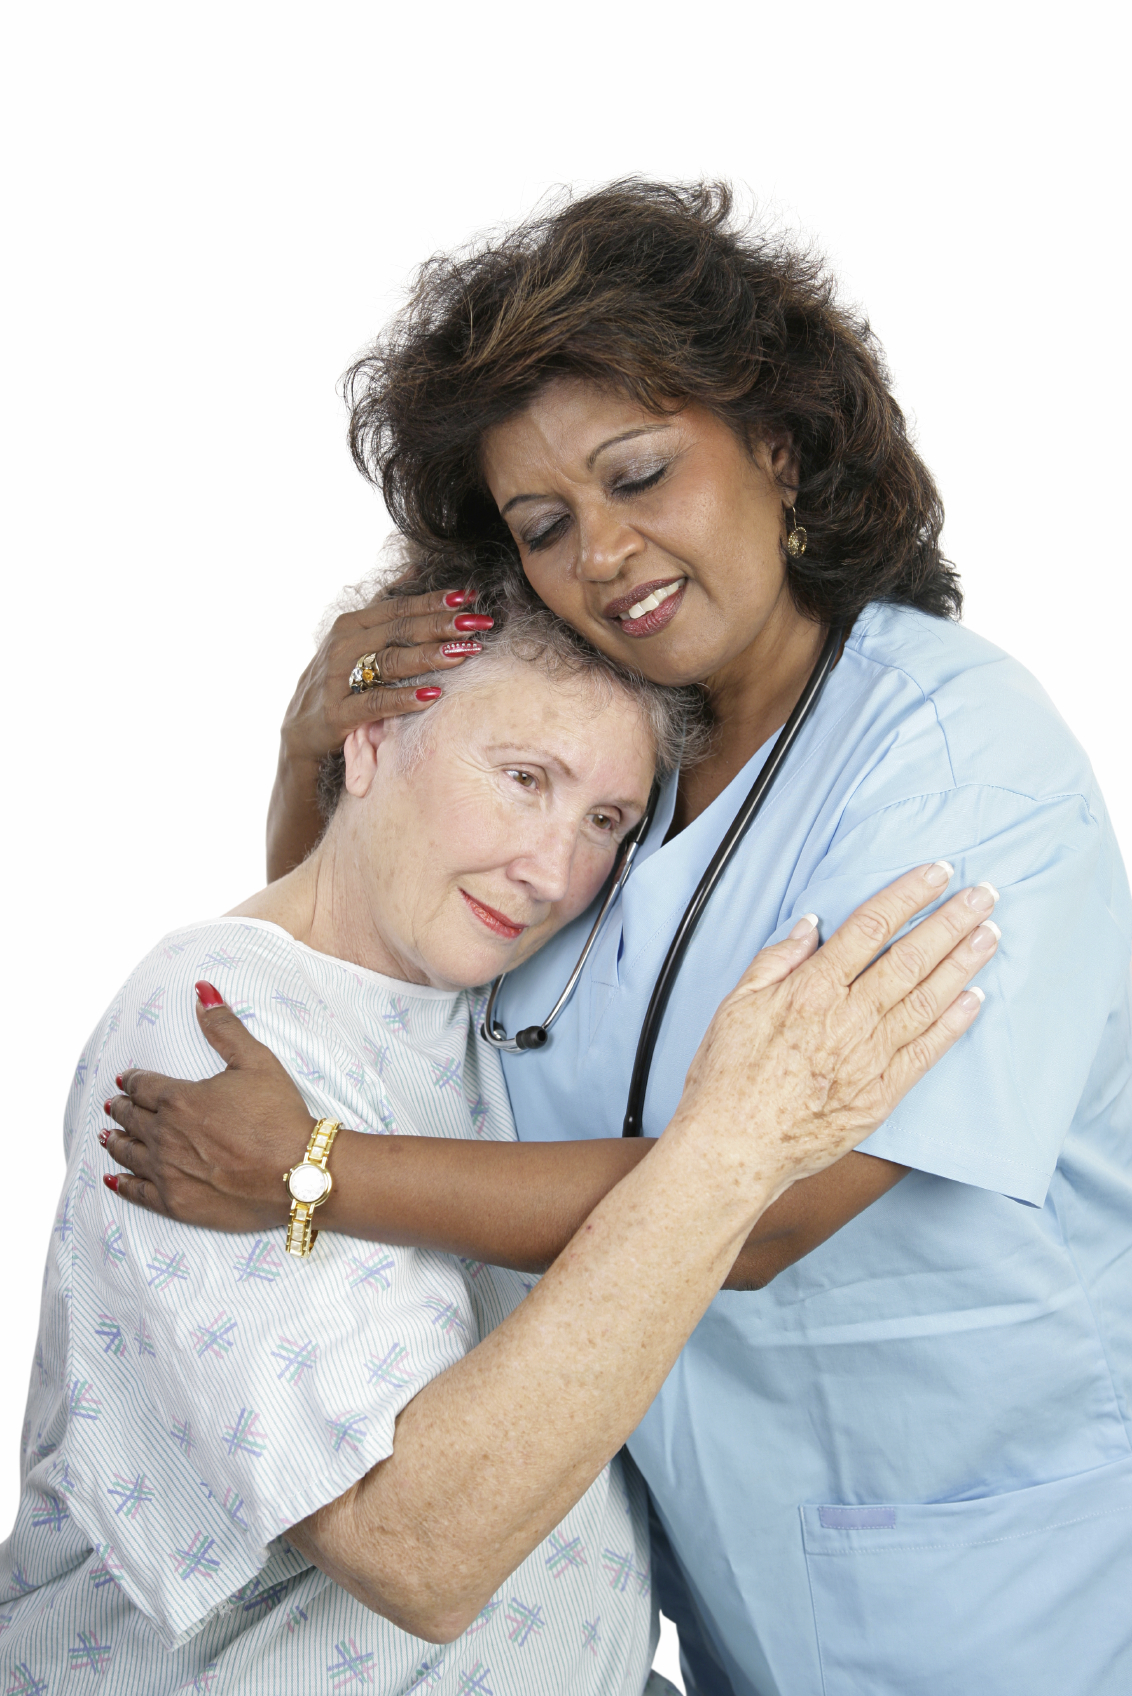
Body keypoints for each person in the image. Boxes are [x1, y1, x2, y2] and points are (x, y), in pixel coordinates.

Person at [103, 181, 1132, 1696]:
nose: (601, 552)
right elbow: (410, 1010)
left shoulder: (953, 767)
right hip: (713, 1593)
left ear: (777, 446)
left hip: (980, 1588)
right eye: (545, 525)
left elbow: (773, 1203)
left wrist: (313, 1175)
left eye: (640, 473)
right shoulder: (612, 781)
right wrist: (312, 758)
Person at [1, 593, 990, 1696]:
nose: (554, 873)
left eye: (608, 822)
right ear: (371, 738)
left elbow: (355, 950)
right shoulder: (208, 1039)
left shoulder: (482, 990)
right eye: (524, 779)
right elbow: (415, 1556)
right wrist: (746, 1127)